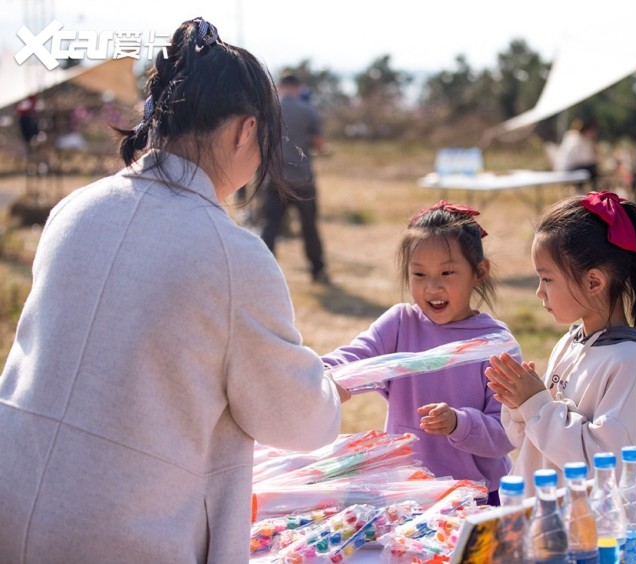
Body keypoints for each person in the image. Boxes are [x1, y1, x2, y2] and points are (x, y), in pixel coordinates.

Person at [0, 18, 348, 563]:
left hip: (13, 502)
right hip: (124, 533)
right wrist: (327, 390)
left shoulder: (74, 210)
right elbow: (296, 420)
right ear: (244, 131)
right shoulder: (233, 255)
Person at [321, 201, 518, 505]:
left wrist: (459, 423)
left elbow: (506, 433)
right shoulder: (400, 324)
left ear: (479, 272)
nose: (432, 287)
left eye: (447, 272)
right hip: (408, 489)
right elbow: (356, 357)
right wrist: (321, 375)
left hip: (478, 495)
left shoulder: (494, 344)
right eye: (419, 275)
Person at [485, 191, 636, 495]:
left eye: (547, 279)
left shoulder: (627, 360)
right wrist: (519, 405)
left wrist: (537, 404)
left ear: (594, 282)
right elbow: (535, 440)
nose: (539, 292)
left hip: (583, 531)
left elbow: (604, 463)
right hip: (543, 517)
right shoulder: (569, 343)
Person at [260, 73, 329, 283]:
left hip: (275, 177)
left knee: (270, 226)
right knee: (309, 226)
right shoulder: (307, 110)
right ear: (298, 88)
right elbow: (319, 142)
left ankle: (262, 271)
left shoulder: (269, 109)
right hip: (302, 179)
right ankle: (317, 270)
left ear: (280, 87)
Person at [553, 118, 599, 191]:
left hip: (571, 167)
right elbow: (578, 159)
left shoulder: (578, 138)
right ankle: (590, 191)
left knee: (591, 168)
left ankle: (588, 191)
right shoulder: (575, 139)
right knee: (591, 168)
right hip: (568, 168)